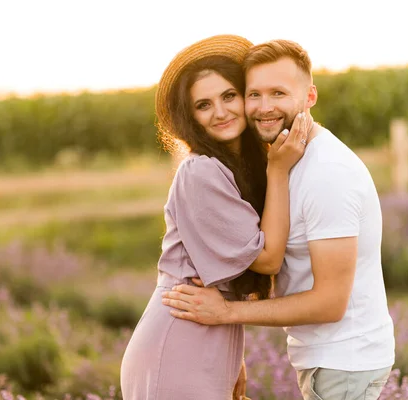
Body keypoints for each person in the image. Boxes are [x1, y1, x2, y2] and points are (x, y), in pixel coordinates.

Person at [162, 39, 395, 400]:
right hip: (327, 360)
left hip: (344, 361)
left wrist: (226, 314)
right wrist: (229, 349)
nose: (264, 107)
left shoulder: (326, 172)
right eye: (254, 94)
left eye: (279, 93)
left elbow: (330, 303)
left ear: (310, 97)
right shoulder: (285, 161)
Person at [120, 35, 310, 400]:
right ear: (190, 117)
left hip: (210, 332)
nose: (220, 112)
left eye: (228, 96)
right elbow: (267, 260)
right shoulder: (200, 171)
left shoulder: (234, 167)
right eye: (203, 105)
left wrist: (230, 355)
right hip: (181, 339)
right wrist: (280, 171)